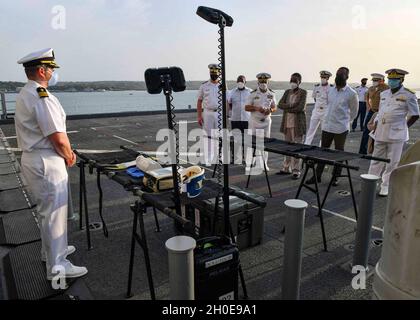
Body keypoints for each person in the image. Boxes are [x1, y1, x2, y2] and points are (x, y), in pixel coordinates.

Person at [15, 48, 88, 280]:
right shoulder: (40, 95)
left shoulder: (26, 92)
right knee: (54, 213)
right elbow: (56, 135)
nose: (53, 73)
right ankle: (57, 267)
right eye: (51, 69)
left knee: (47, 212)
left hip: (35, 159)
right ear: (41, 70)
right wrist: (68, 154)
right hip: (46, 160)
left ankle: (52, 252)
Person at [368, 69, 419, 197]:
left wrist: (404, 126)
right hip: (381, 131)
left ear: (401, 80)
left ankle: (385, 185)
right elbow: (381, 111)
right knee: (375, 159)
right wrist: (376, 125)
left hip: (397, 134)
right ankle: (370, 182)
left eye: (394, 79)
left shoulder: (409, 95)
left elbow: (415, 114)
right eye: (390, 79)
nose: (391, 81)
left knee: (392, 162)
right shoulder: (384, 93)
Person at [306, 67, 359, 186]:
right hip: (327, 125)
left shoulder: (351, 93)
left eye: (342, 75)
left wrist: (345, 121)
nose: (339, 77)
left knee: (338, 152)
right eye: (338, 74)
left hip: (341, 128)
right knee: (323, 151)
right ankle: (317, 175)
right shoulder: (331, 90)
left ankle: (336, 176)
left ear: (347, 77)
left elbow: (354, 112)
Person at [277, 73, 307, 179]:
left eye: (295, 81)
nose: (293, 83)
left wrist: (288, 108)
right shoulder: (287, 92)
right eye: (292, 81)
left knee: (297, 148)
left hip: (297, 124)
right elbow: (279, 104)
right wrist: (291, 105)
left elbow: (300, 108)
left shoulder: (303, 92)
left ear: (299, 82)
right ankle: (286, 168)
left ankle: (296, 170)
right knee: (287, 147)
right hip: (287, 123)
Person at [245, 73, 277, 171]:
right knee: (252, 142)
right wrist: (257, 108)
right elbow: (246, 107)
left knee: (265, 143)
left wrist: (271, 110)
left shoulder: (271, 94)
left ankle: (264, 163)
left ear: (268, 82)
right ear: (258, 82)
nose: (263, 83)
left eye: (265, 81)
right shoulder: (253, 94)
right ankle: (250, 162)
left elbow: (274, 106)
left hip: (266, 121)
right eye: (261, 81)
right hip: (254, 121)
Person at [197, 64, 222, 165]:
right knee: (208, 136)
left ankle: (218, 156)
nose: (214, 75)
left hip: (219, 113)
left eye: (215, 73)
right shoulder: (204, 86)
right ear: (209, 73)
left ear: (219, 73)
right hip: (208, 112)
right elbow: (199, 101)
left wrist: (227, 115)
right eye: (212, 73)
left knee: (219, 135)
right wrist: (199, 116)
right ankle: (208, 157)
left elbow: (227, 100)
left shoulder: (222, 86)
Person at [358, 74, 389, 154]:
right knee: (366, 130)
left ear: (381, 81)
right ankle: (362, 151)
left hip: (381, 112)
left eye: (376, 80)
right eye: (373, 80)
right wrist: (368, 105)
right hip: (372, 111)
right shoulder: (371, 88)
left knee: (379, 132)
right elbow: (366, 96)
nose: (374, 82)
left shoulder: (387, 89)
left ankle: (376, 151)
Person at [305, 71, 333, 146]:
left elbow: (332, 101)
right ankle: (306, 144)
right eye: (322, 77)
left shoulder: (332, 88)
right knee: (311, 129)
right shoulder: (317, 87)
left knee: (324, 131)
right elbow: (314, 98)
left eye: (324, 77)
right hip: (316, 111)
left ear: (328, 78)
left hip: (325, 112)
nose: (323, 79)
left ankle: (321, 147)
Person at [228, 75, 252, 163]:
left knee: (246, 140)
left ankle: (246, 158)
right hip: (235, 119)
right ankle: (236, 158)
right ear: (236, 82)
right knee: (236, 140)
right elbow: (229, 103)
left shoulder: (250, 92)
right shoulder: (232, 92)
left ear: (245, 82)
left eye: (242, 81)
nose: (240, 82)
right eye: (239, 80)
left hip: (247, 119)